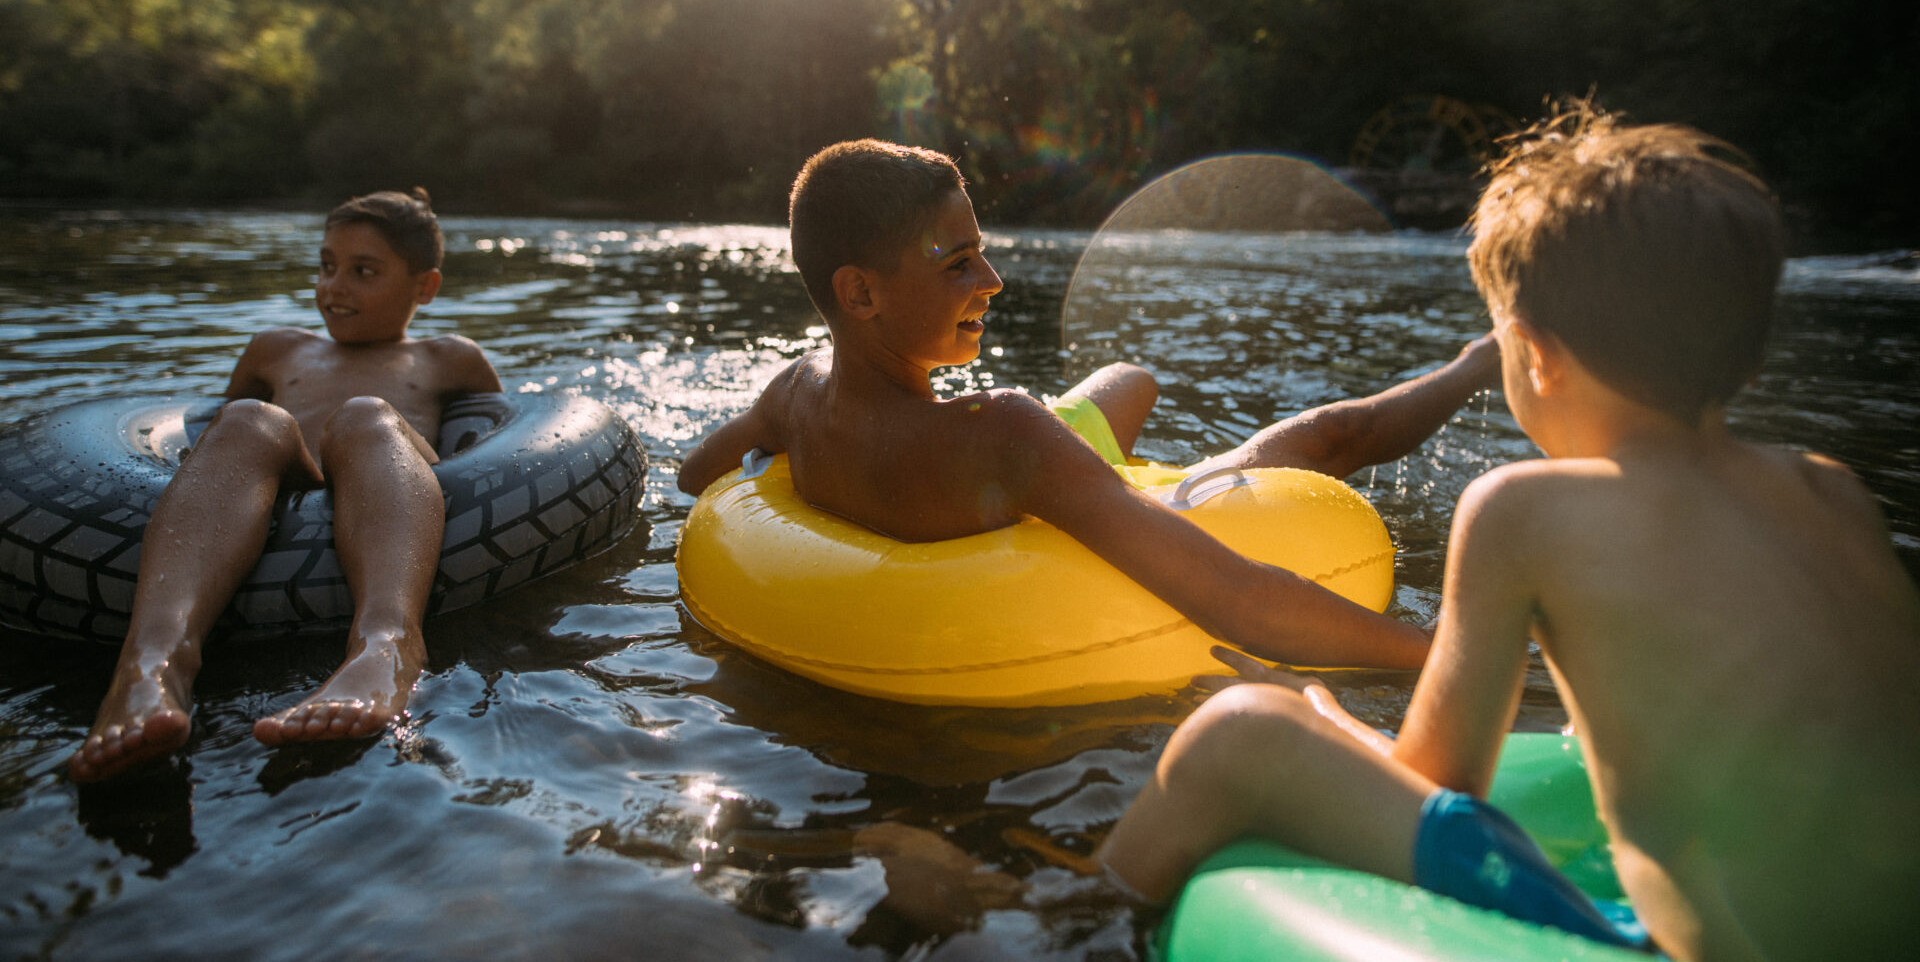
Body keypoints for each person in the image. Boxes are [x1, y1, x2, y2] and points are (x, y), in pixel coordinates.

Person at [1096, 114, 1920, 959]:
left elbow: (1434, 784)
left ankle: (1057, 923)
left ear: (1531, 355)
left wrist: (1329, 716)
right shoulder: (1836, 493)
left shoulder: (1520, 510)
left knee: (1243, 733)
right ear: (1749, 358)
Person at [679, 138, 1500, 674]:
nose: (992, 282)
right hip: (1034, 468)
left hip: (1035, 464)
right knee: (1332, 434)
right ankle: (1476, 361)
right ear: (860, 294)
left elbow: (694, 477)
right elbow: (1237, 598)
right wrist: (1462, 663)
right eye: (959, 264)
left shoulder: (792, 399)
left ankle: (1471, 361)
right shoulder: (1001, 431)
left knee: (1128, 381)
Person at [68, 188, 502, 784]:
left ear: (423, 287)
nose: (334, 287)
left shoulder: (449, 357)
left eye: (363, 272)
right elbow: (209, 440)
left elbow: (497, 451)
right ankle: (152, 666)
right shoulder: (276, 347)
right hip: (292, 477)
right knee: (250, 419)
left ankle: (387, 646)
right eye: (326, 266)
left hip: (377, 469)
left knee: (362, 414)